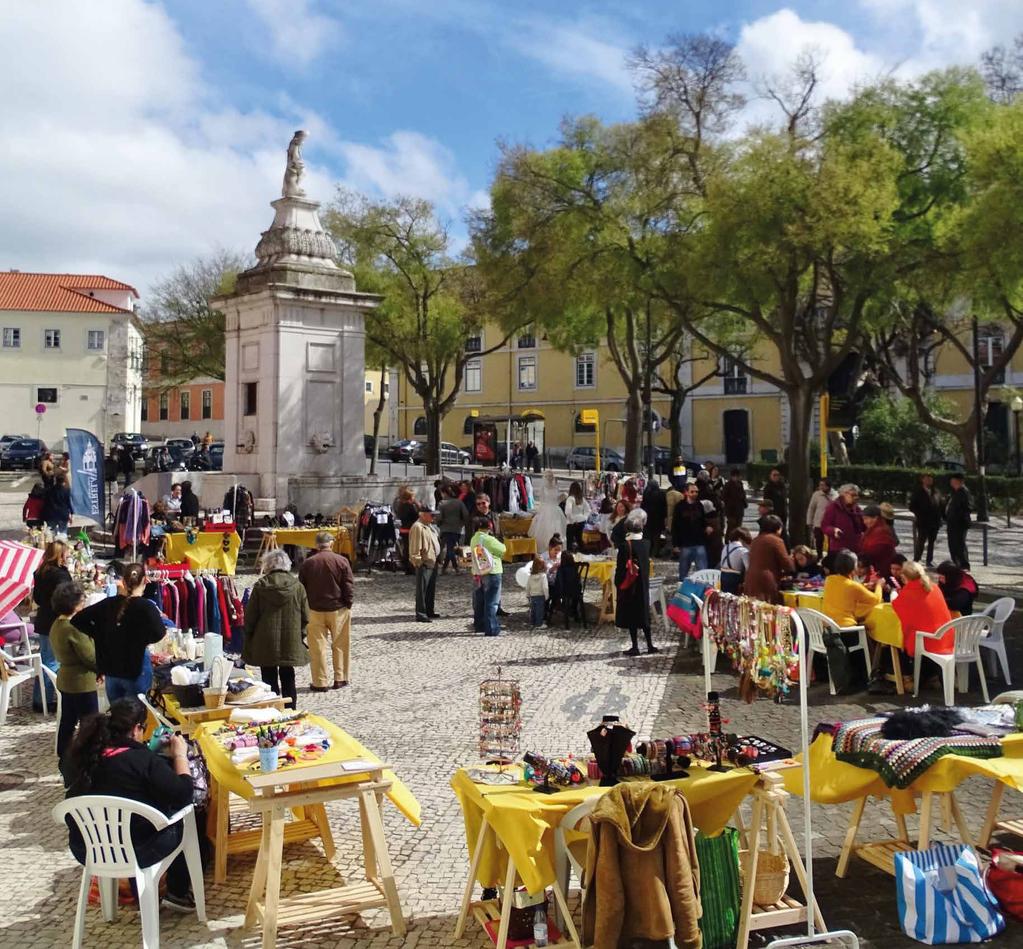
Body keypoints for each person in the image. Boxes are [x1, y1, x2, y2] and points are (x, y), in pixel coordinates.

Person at [61, 698, 197, 911]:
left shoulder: (83, 755)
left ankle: (132, 890)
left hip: (87, 848)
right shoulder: (143, 761)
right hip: (137, 850)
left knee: (133, 821)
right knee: (180, 815)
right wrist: (180, 755)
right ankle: (177, 892)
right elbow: (184, 794)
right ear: (136, 729)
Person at [73, 562, 165, 703]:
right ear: (144, 581)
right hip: (135, 667)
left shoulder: (108, 604)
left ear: (123, 581)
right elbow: (160, 633)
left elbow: (78, 619)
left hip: (112, 668)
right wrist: (141, 640)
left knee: (118, 718)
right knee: (135, 717)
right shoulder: (146, 606)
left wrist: (100, 634)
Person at [243, 549, 309, 709]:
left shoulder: (260, 586)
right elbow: (305, 616)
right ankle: (290, 709)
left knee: (268, 676)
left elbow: (250, 616)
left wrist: (249, 636)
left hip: (265, 639)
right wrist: (300, 635)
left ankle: (272, 709)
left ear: (267, 565)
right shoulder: (297, 586)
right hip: (290, 638)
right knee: (288, 674)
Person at [298, 531, 354, 691]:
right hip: (338, 609)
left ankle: (320, 682)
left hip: (314, 610)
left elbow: (301, 587)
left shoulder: (308, 563)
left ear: (317, 545)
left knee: (317, 648)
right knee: (341, 645)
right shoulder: (342, 561)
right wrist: (348, 604)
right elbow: (348, 585)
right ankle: (340, 678)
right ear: (330, 543)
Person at [49, 582, 97, 758]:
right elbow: (90, 657)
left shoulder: (57, 624)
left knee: (67, 721)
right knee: (90, 724)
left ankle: (64, 754)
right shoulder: (74, 627)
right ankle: (89, 757)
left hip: (66, 679)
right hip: (81, 681)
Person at [32, 539, 72, 711]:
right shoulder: (60, 575)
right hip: (54, 621)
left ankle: (40, 698)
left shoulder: (41, 572)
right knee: (51, 662)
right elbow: (66, 598)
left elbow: (38, 598)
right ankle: (44, 701)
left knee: (45, 661)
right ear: (60, 554)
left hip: (43, 619)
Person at [891, 561, 953, 659]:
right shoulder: (934, 587)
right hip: (948, 637)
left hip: (929, 642)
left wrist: (893, 594)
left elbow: (896, 608)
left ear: (904, 577)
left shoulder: (907, 593)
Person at [615, 509, 656, 656]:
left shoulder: (625, 546)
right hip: (643, 584)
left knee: (632, 615)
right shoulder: (646, 544)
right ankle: (650, 644)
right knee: (644, 614)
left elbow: (620, 569)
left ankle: (635, 646)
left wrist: (618, 584)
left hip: (631, 585)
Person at [821, 549, 883, 627]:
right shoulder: (853, 586)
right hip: (845, 628)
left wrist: (864, 586)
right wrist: (879, 585)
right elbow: (876, 600)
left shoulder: (829, 580)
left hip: (828, 627)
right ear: (854, 567)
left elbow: (844, 588)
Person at [744, 515, 793, 604]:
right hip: (766, 580)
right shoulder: (776, 540)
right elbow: (786, 563)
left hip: (751, 579)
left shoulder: (755, 540)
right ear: (778, 528)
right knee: (768, 609)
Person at [469, 516, 506, 636]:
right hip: (492, 571)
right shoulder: (489, 539)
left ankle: (479, 625)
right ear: (489, 526)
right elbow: (503, 549)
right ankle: (491, 628)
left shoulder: (474, 539)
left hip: (478, 573)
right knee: (492, 601)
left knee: (480, 601)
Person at [409, 505, 441, 623]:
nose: (433, 516)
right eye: (431, 514)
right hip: (424, 562)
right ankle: (421, 613)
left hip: (432, 561)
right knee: (422, 590)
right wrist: (418, 561)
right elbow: (415, 546)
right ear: (422, 514)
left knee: (430, 588)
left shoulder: (429, 526)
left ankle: (429, 610)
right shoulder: (418, 527)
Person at [672, 482, 710, 578]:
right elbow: (674, 526)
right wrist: (675, 544)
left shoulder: (699, 505)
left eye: (696, 492)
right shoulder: (680, 506)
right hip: (685, 543)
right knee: (683, 572)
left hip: (699, 542)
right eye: (692, 492)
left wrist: (707, 527)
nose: (695, 494)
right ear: (686, 492)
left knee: (703, 571)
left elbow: (703, 520)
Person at [820, 484, 865, 560]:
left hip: (856, 549)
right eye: (853, 495)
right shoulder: (833, 507)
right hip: (839, 549)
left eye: (857, 495)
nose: (856, 498)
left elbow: (863, 526)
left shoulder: (857, 508)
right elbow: (825, 526)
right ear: (844, 494)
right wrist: (834, 530)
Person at [529, 470, 568, 553]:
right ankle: (547, 546)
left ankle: (557, 546)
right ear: (545, 477)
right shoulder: (543, 488)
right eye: (548, 476)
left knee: (557, 528)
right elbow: (542, 501)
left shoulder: (556, 486)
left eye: (551, 476)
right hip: (546, 510)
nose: (550, 478)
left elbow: (556, 499)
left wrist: (562, 497)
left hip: (555, 509)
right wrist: (540, 513)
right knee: (547, 529)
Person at [910, 474, 942, 567]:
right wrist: (920, 514)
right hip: (923, 522)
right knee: (921, 541)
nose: (929, 481)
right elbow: (912, 506)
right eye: (927, 479)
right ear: (922, 480)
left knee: (931, 542)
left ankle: (929, 560)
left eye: (931, 479)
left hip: (934, 522)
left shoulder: (936, 492)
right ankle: (916, 559)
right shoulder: (918, 492)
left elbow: (940, 504)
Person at [436, 485, 469, 574]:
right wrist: (461, 523)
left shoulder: (442, 503)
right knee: (451, 548)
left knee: (450, 549)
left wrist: (438, 524)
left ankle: (455, 568)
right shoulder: (459, 502)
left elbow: (439, 517)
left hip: (445, 528)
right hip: (457, 529)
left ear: (444, 493)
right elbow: (465, 515)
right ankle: (445, 569)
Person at [859, 503, 897, 578]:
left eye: (866, 518)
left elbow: (875, 551)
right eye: (863, 519)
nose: (864, 522)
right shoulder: (872, 530)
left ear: (876, 518)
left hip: (881, 571)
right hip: (874, 569)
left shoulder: (882, 531)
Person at [944, 474, 972, 569]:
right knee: (952, 544)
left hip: (959, 523)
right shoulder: (954, 492)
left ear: (960, 482)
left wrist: (957, 515)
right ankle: (956, 563)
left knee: (959, 544)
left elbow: (967, 508)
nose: (952, 483)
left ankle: (963, 564)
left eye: (954, 481)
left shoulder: (963, 492)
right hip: (952, 523)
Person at [806, 479, 836, 559]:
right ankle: (819, 556)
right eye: (820, 485)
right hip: (818, 522)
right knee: (819, 540)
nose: (821, 487)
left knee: (831, 541)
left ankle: (830, 557)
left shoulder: (835, 495)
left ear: (828, 486)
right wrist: (809, 521)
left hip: (831, 522)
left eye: (823, 485)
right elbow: (811, 508)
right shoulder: (816, 494)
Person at [393, 487, 420, 575]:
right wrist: (418, 505)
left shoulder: (400, 505)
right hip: (411, 529)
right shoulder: (410, 506)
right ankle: (411, 567)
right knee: (412, 549)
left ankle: (407, 567)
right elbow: (417, 516)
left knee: (406, 548)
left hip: (404, 529)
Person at [640, 480, 667, 556]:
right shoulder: (661, 493)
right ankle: (656, 552)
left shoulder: (646, 493)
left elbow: (643, 505)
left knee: (648, 536)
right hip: (658, 518)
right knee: (657, 536)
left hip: (648, 518)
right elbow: (664, 506)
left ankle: (648, 552)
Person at [43, 471, 73, 535]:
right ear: (64, 481)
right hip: (63, 514)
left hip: (51, 514)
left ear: (56, 480)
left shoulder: (49, 490)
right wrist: (71, 513)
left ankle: (52, 544)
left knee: (51, 533)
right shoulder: (67, 491)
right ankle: (62, 542)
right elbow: (69, 503)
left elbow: (46, 503)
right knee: (63, 532)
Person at [762, 468, 788, 538]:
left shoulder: (782, 486)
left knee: (783, 533)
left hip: (783, 514)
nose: (776, 476)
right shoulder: (768, 487)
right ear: (770, 476)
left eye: (778, 475)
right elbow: (767, 502)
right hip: (774, 514)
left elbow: (784, 499)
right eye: (774, 475)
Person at [564, 481, 589, 552]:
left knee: (569, 542)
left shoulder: (570, 499)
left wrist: (572, 520)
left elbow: (567, 512)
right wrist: (584, 518)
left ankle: (570, 557)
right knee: (579, 540)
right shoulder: (582, 499)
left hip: (571, 523)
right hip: (581, 522)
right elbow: (588, 510)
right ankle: (582, 556)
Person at [721, 468, 747, 536]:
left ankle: (736, 540)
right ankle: (728, 540)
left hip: (739, 509)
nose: (739, 478)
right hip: (731, 510)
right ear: (733, 476)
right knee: (731, 527)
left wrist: (744, 503)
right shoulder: (728, 485)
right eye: (737, 476)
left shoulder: (740, 484)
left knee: (738, 527)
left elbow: (743, 495)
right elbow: (724, 497)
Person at [525, 556, 549, 628]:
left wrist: (528, 594)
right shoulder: (543, 576)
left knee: (533, 610)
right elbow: (545, 587)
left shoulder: (530, 576)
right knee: (540, 611)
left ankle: (532, 622)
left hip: (532, 596)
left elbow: (528, 586)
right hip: (540, 595)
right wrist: (547, 595)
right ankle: (539, 624)